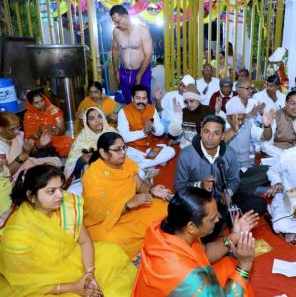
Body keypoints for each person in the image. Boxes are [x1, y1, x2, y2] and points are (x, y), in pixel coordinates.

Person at [0, 164, 136, 296]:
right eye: (51, 191)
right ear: (31, 196)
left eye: (60, 188)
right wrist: (74, 287)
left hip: (72, 260)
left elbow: (85, 241)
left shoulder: (67, 205)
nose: (60, 195)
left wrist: (89, 274)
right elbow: (24, 282)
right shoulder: (17, 233)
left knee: (112, 253)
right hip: (42, 282)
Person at [132, 188, 257, 296]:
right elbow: (190, 273)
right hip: (182, 279)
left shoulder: (174, 227)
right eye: (212, 218)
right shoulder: (186, 276)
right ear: (191, 226)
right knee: (241, 278)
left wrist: (234, 236)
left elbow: (204, 253)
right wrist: (245, 265)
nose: (219, 219)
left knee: (229, 264)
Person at [174, 115, 267, 240]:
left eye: (216, 133)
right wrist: (199, 185)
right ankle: (221, 222)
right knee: (206, 231)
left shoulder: (229, 153)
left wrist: (228, 193)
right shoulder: (186, 155)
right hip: (199, 205)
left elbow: (234, 180)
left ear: (222, 136)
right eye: (206, 132)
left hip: (222, 201)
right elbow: (179, 187)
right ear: (200, 132)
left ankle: (222, 220)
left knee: (260, 204)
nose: (210, 137)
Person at [82, 132, 171, 260]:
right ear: (103, 153)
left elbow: (140, 185)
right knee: (109, 241)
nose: (123, 152)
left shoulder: (127, 164)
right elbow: (97, 214)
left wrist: (152, 190)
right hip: (106, 223)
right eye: (117, 149)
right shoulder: (92, 177)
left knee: (165, 208)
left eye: (124, 148)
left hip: (134, 211)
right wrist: (128, 205)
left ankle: (153, 242)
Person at [224, 97, 275, 195]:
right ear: (228, 118)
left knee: (270, 170)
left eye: (242, 118)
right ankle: (250, 189)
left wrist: (267, 126)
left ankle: (246, 189)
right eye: (237, 119)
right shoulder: (221, 126)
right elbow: (219, 142)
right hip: (230, 173)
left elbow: (266, 136)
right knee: (231, 183)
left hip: (246, 168)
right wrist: (234, 129)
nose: (240, 122)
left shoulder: (247, 124)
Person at [118, 85, 175, 169]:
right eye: (138, 98)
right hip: (134, 150)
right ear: (132, 98)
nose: (141, 101)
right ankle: (152, 163)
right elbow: (124, 137)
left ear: (147, 99)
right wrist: (143, 132)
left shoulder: (151, 109)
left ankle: (142, 165)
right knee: (126, 156)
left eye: (144, 98)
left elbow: (160, 131)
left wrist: (153, 129)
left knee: (171, 151)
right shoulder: (124, 112)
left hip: (150, 148)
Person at [111, 5, 153, 104]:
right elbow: (115, 50)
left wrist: (139, 75)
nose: (116, 25)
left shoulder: (142, 30)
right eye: (114, 22)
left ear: (126, 17)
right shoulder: (116, 31)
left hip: (142, 71)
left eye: (117, 21)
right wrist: (116, 71)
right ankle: (130, 119)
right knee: (128, 101)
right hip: (124, 72)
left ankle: (148, 119)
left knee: (143, 101)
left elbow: (148, 56)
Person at [0, 111, 61, 179]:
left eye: (18, 127)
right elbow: (5, 175)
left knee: (57, 161)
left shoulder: (17, 136)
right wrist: (23, 154)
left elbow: (28, 153)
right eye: (12, 129)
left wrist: (39, 145)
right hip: (16, 175)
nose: (17, 131)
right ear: (1, 129)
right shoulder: (1, 147)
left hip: (28, 163)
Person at [23, 89, 74, 158]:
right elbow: (28, 137)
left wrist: (54, 130)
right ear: (30, 104)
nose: (41, 104)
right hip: (38, 142)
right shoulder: (28, 116)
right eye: (36, 103)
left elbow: (61, 131)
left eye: (42, 100)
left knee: (72, 146)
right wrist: (39, 132)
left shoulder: (54, 111)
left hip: (55, 138)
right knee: (29, 150)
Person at [261, 91, 296, 159]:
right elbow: (266, 144)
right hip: (280, 154)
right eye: (293, 103)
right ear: (286, 103)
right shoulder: (276, 116)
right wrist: (285, 155)